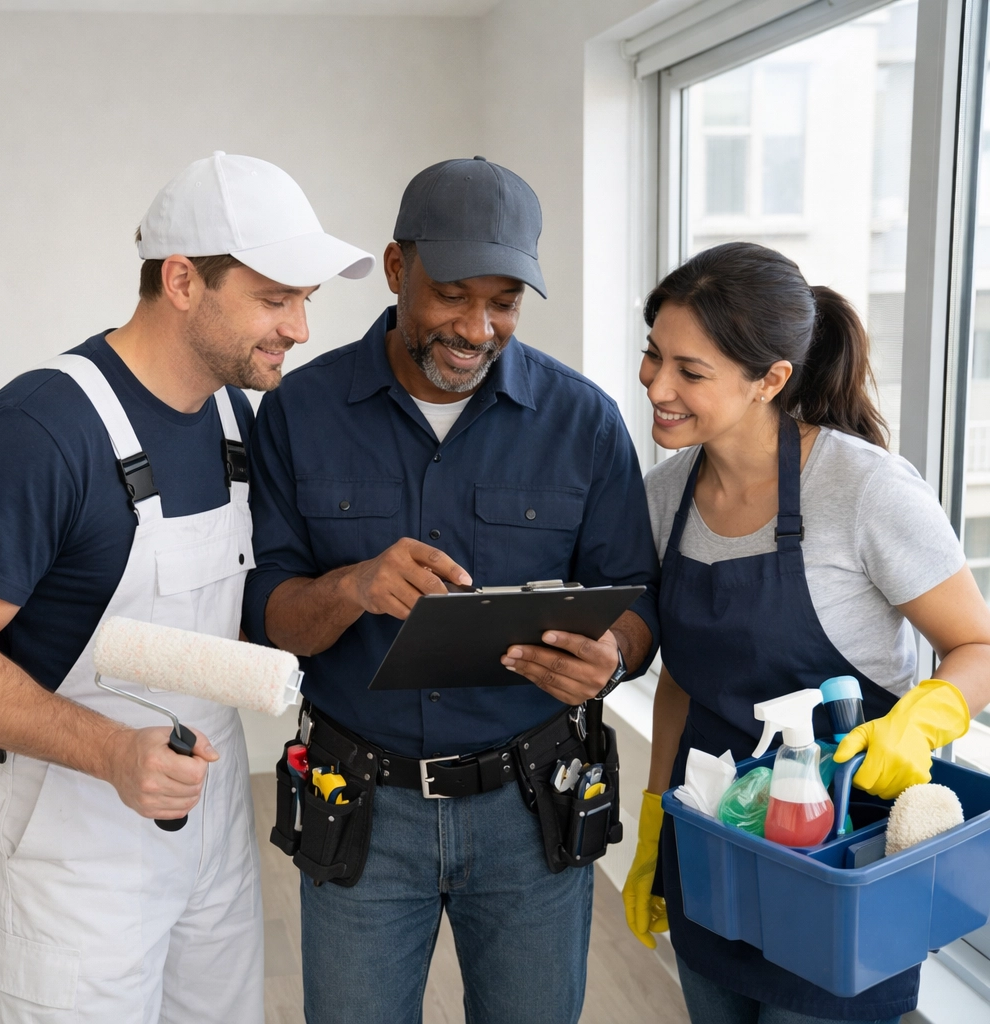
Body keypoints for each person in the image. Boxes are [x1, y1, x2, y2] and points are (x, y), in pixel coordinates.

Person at [244, 156, 659, 1024]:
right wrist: (355, 586)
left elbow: (638, 604)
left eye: (503, 302)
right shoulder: (296, 412)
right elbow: (274, 619)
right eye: (453, 294)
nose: (478, 326)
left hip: (533, 809)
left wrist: (613, 656)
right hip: (358, 805)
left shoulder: (584, 422)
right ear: (398, 272)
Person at [0, 152, 373, 1023]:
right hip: (76, 837)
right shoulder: (42, 430)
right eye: (275, 299)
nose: (301, 329)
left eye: (307, 301)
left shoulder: (234, 418)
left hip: (209, 815)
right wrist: (114, 754)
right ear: (182, 279)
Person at [622, 241, 990, 1024]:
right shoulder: (664, 498)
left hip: (843, 862)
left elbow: (979, 645)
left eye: (690, 371)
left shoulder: (860, 490)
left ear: (771, 380)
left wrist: (922, 722)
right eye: (653, 356)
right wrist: (657, 813)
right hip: (717, 848)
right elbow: (686, 675)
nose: (656, 385)